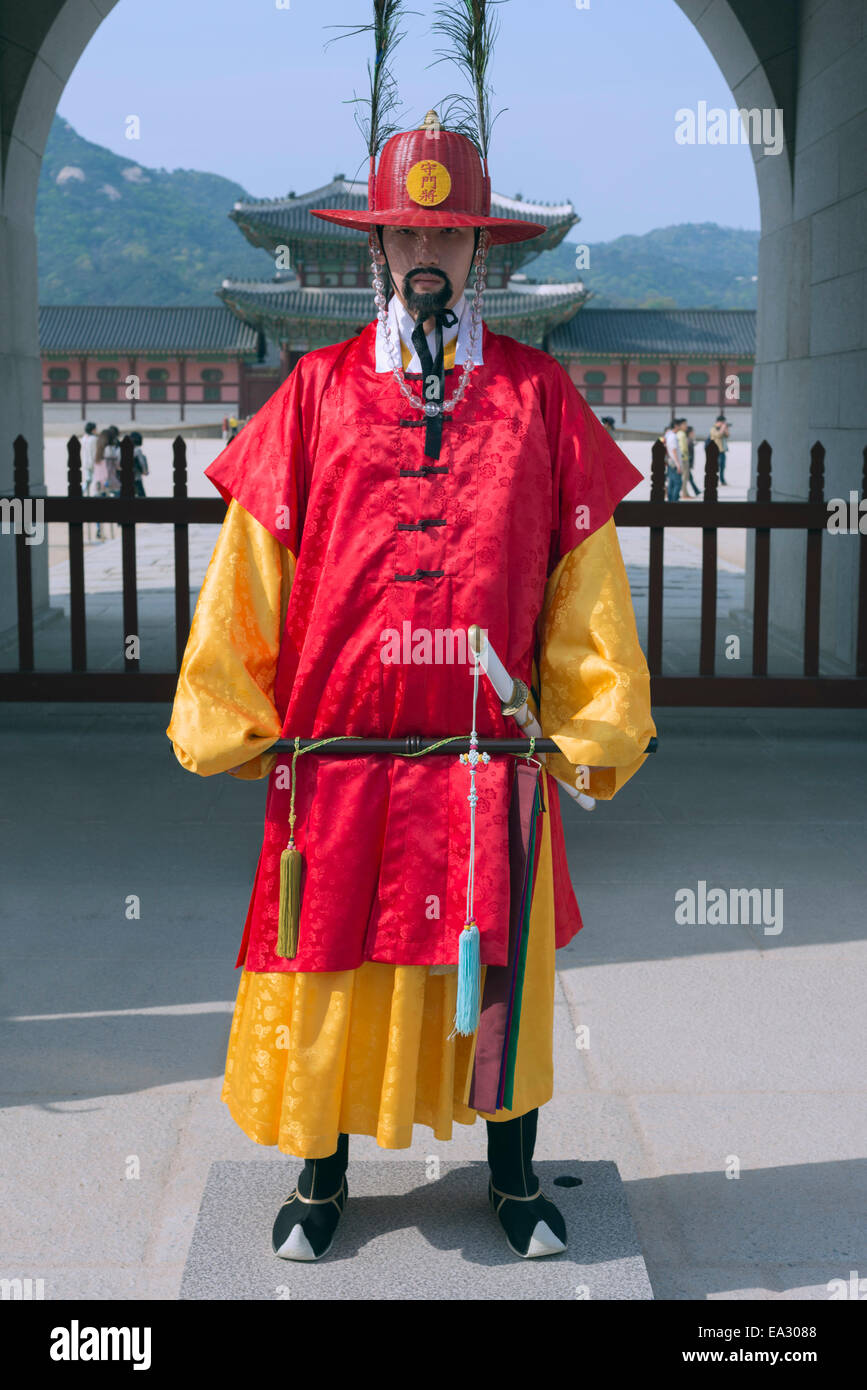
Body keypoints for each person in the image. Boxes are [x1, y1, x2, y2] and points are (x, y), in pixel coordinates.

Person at [167, 90, 655, 1264]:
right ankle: (323, 1175)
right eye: (407, 233)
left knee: (501, 976)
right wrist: (232, 710)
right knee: (326, 965)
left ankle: (515, 1173)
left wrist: (594, 721)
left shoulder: (539, 399)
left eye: (449, 235)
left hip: (490, 767)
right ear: (375, 244)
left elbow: (585, 582)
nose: (426, 251)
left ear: (477, 248)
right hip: (338, 766)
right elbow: (253, 570)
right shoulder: (317, 393)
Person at [663, 419, 682, 501]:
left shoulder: (668, 435)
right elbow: (673, 450)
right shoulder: (673, 436)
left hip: (670, 461)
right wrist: (678, 465)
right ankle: (674, 500)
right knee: (678, 483)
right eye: (680, 425)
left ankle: (671, 500)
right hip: (674, 462)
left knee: (671, 483)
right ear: (676, 426)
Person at [709, 414, 729, 485]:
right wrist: (722, 429)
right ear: (719, 422)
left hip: (722, 450)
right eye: (723, 422)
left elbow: (727, 436)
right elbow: (718, 435)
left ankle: (722, 480)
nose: (723, 424)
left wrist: (726, 429)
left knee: (722, 466)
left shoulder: (722, 428)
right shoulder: (713, 429)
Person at [130, 430, 149, 498]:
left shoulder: (127, 450)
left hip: (128, 478)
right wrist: (145, 471)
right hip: (137, 477)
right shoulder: (137, 450)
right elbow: (142, 463)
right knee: (142, 497)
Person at [81, 421, 97, 496]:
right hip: (93, 462)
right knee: (95, 480)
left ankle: (83, 492)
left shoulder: (84, 438)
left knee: (87, 480)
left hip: (85, 462)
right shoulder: (94, 439)